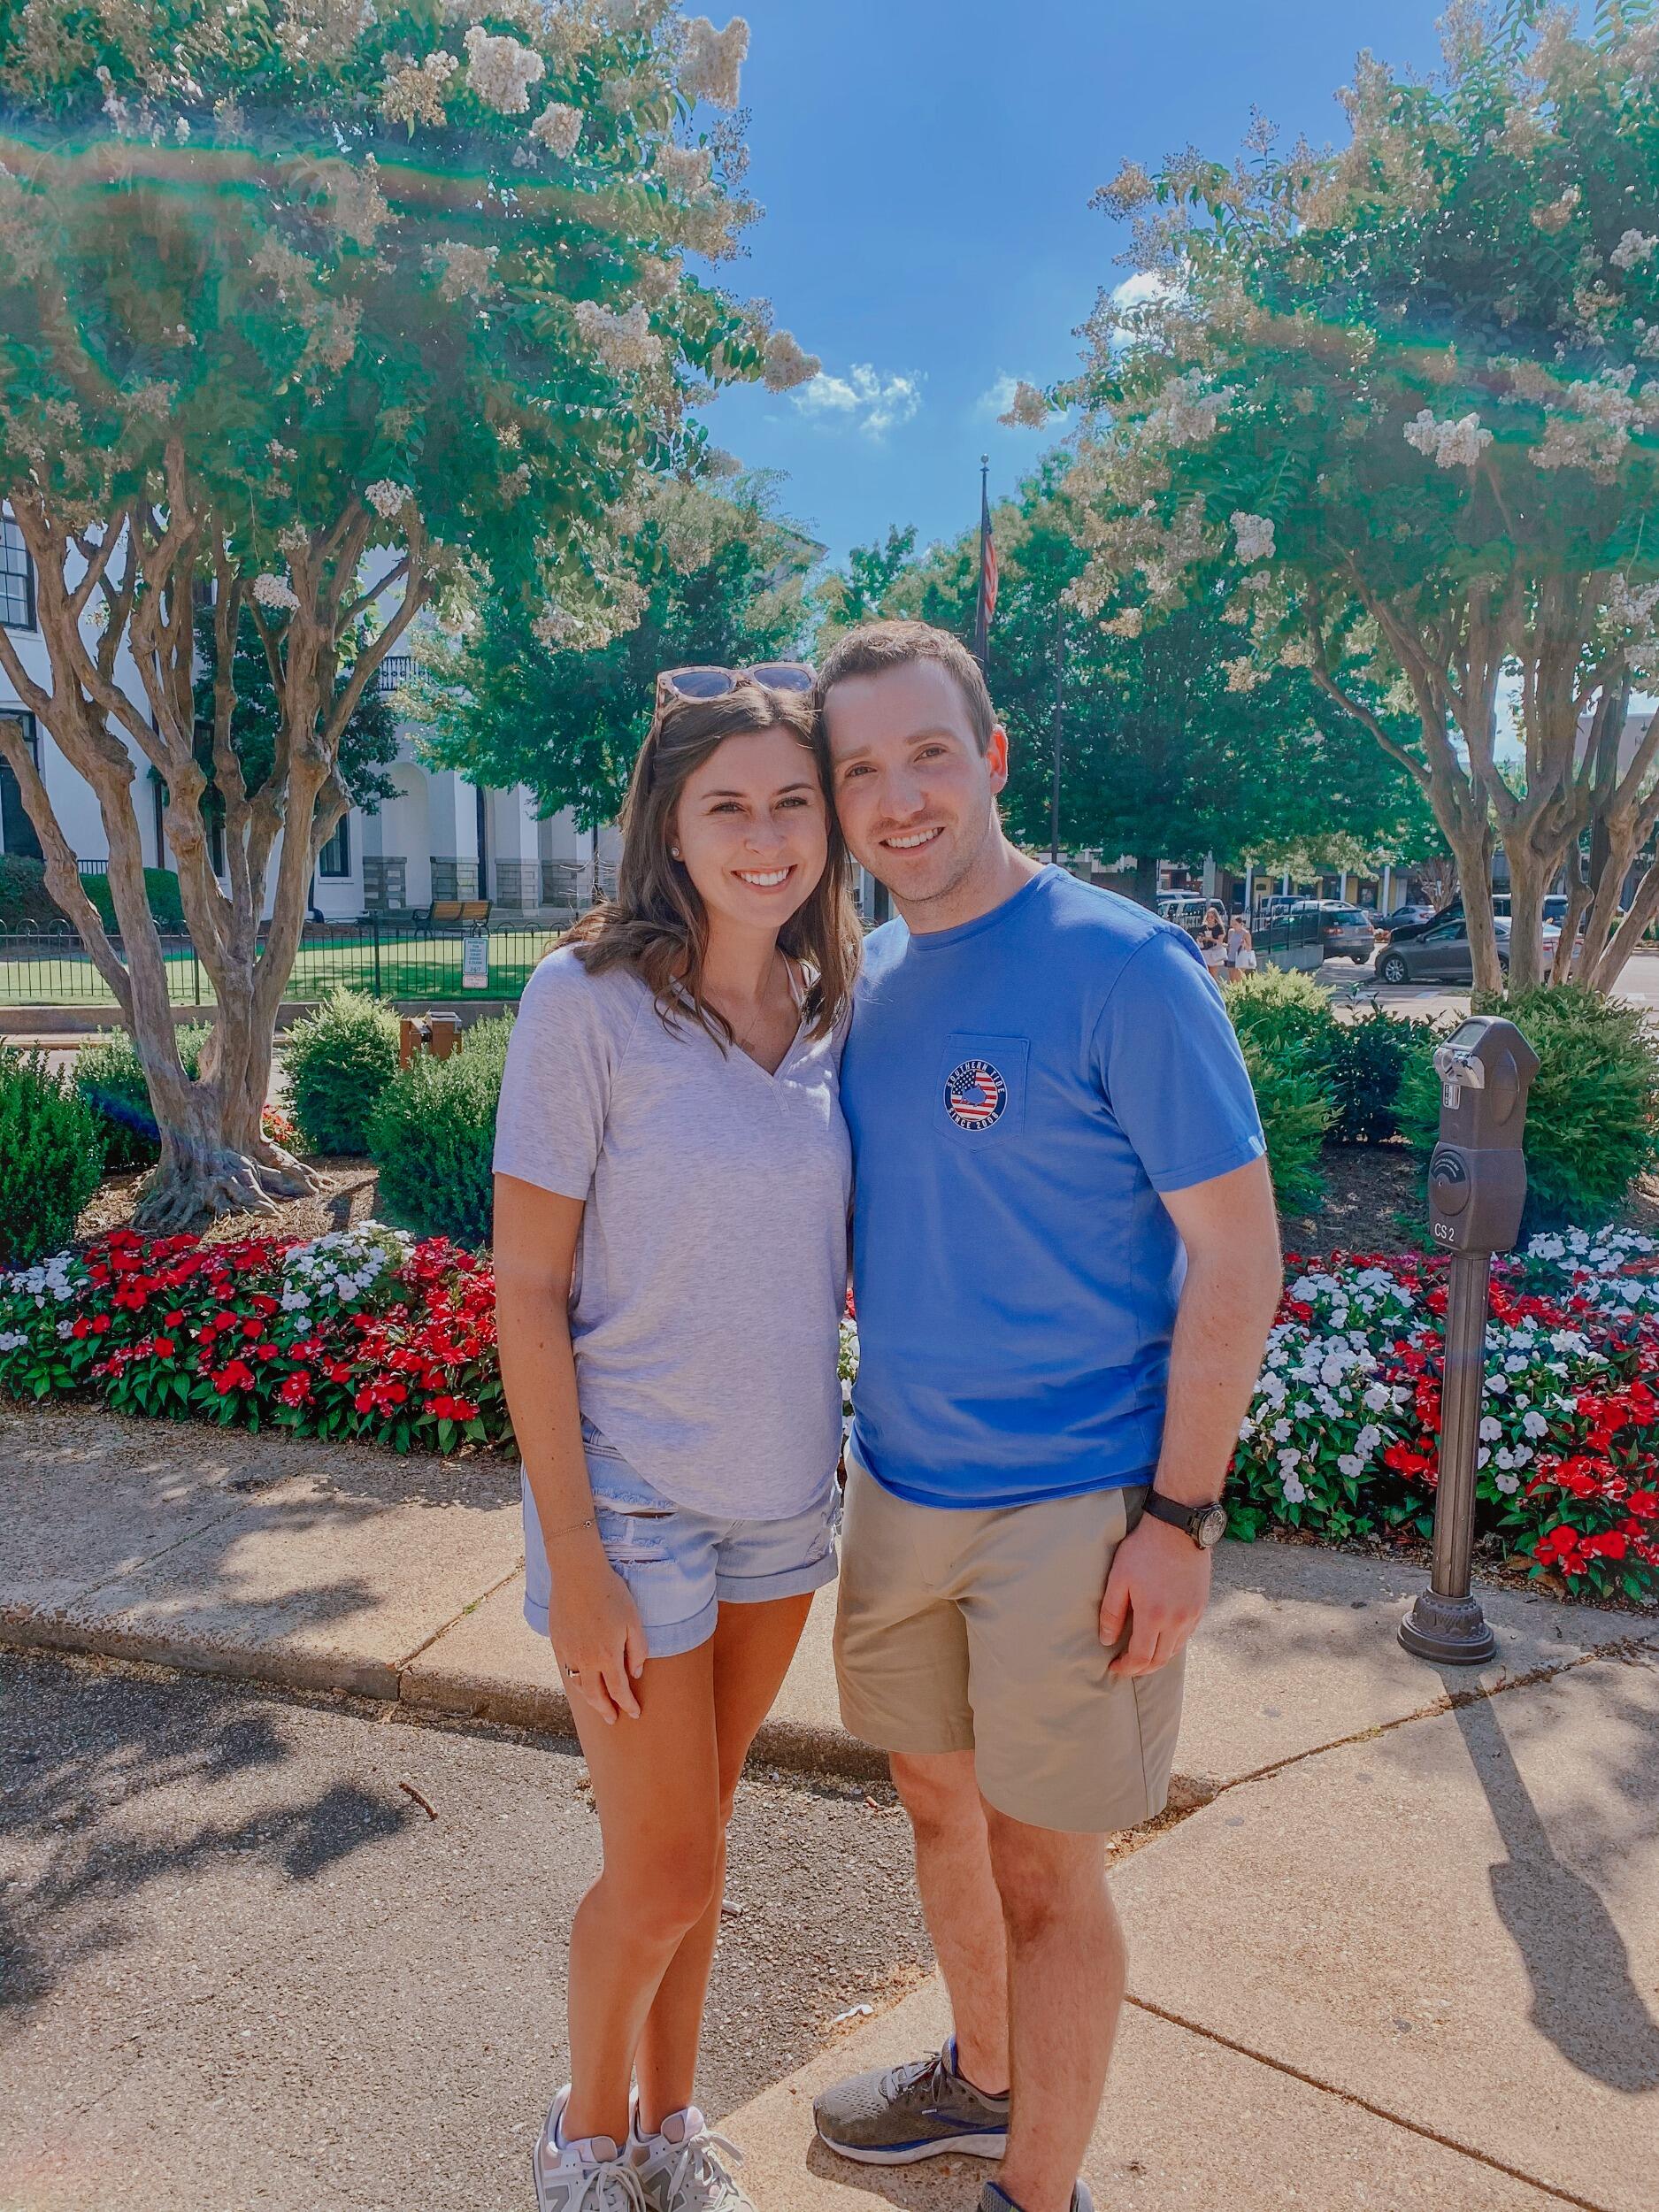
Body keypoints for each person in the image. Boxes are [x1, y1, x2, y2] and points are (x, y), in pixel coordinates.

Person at [810, 622, 1283, 2212]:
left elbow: (1239, 1249)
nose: (899, 797)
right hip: (900, 1489)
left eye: (928, 752)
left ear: (992, 758)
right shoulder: (864, 978)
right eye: (858, 767)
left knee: (1046, 1866)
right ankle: (982, 2085)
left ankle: (1041, 2193)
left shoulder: (1124, 967)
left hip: (1082, 1510)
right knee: (938, 1801)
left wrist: (1181, 1519)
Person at [492, 665, 861, 2212]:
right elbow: (526, 1291)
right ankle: (583, 2149)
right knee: (662, 1872)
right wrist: (573, 1559)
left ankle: (667, 2126)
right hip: (632, 1510)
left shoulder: (838, 1009)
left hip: (784, 1509)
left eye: (794, 803)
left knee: (700, 1843)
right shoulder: (586, 1003)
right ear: (671, 821)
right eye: (730, 806)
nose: (765, 837)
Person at [1198, 902, 1228, 985]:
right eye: (1208, 917)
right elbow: (1199, 937)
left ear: (1215, 917)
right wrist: (1201, 939)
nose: (1209, 919)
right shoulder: (1203, 927)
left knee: (1213, 975)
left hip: (1214, 951)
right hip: (1205, 951)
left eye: (1211, 917)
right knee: (1206, 973)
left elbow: (1220, 942)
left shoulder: (1218, 927)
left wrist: (1211, 939)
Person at [1224, 907, 1256, 982]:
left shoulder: (1246, 933)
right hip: (1231, 957)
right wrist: (1224, 945)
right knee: (1232, 979)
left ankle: (1239, 992)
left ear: (1241, 924)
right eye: (1233, 924)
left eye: (1236, 924)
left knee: (1237, 978)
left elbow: (1249, 948)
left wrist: (1244, 944)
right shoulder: (1231, 932)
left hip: (1241, 957)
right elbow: (1230, 945)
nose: (1234, 926)